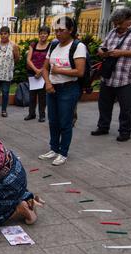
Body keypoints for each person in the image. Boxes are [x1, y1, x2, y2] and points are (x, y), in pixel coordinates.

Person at [39, 17, 86, 166]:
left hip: (68, 89)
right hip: (52, 88)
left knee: (65, 122)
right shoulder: (53, 45)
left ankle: (63, 153)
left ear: (70, 30)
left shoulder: (78, 46)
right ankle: (53, 148)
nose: (58, 33)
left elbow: (80, 72)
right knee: (53, 121)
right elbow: (45, 68)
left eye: (61, 30)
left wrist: (60, 70)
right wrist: (47, 83)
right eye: (56, 30)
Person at [91, 8, 131, 142]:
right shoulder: (112, 32)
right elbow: (102, 45)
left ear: (129, 20)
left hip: (127, 77)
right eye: (115, 23)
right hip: (108, 76)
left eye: (119, 23)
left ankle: (125, 131)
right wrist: (101, 51)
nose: (116, 26)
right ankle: (103, 127)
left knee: (126, 108)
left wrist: (121, 52)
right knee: (104, 104)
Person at [0, 26, 20, 117]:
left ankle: (4, 110)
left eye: (5, 34)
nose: (3, 36)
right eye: (1, 34)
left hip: (6, 73)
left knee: (5, 92)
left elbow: (17, 58)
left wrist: (9, 64)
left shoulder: (13, 45)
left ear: (9, 34)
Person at [25, 26, 51, 122]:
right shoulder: (33, 44)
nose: (43, 35)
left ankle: (42, 115)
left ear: (48, 34)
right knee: (32, 94)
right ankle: (31, 114)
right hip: (32, 73)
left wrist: (41, 71)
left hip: (44, 73)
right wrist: (36, 70)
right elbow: (28, 59)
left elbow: (49, 60)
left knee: (42, 95)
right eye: (41, 33)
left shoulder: (50, 46)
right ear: (39, 34)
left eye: (45, 33)